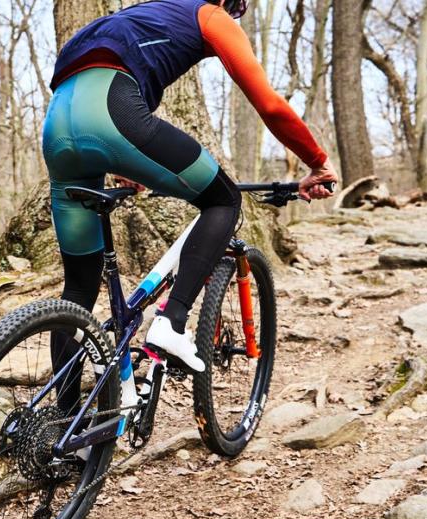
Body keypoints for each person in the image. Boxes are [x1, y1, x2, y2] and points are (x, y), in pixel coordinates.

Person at [43, 0, 337, 372]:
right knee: (224, 200)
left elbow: (95, 88)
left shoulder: (131, 17)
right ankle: (172, 322)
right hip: (110, 113)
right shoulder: (208, 15)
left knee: (77, 292)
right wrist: (316, 161)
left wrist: (123, 161)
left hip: (57, 128)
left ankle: (64, 420)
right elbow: (271, 105)